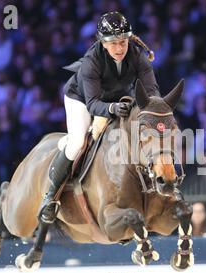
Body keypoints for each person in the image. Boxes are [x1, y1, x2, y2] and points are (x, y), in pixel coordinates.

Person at [39, 12, 160, 218]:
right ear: (102, 43)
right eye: (113, 43)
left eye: (123, 42)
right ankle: (51, 196)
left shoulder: (137, 56)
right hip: (82, 98)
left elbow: (152, 92)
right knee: (78, 142)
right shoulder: (92, 61)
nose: (120, 48)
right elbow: (93, 103)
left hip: (116, 95)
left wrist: (155, 111)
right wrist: (112, 109)